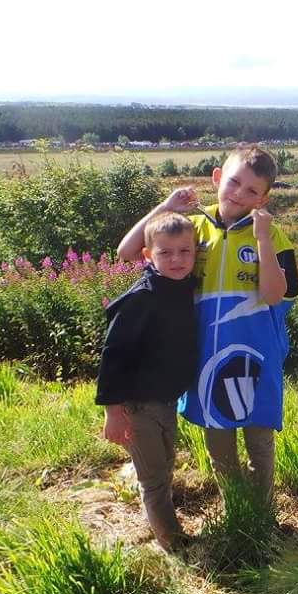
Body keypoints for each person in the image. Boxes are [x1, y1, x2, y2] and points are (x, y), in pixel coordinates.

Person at [117, 145, 298, 501]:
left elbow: (276, 295)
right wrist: (167, 207)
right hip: (204, 360)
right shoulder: (192, 228)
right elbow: (127, 251)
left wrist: (262, 239)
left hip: (258, 359)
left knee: (259, 441)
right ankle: (236, 509)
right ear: (217, 178)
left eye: (252, 191)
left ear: (263, 200)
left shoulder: (273, 236)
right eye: (233, 183)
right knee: (219, 445)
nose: (239, 195)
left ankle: (260, 515)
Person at [97, 212, 198, 551]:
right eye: (165, 253)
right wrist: (113, 411)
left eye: (185, 251)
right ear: (148, 256)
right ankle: (174, 546)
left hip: (165, 400)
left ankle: (165, 520)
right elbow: (114, 354)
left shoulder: (182, 286)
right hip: (136, 405)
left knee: (165, 464)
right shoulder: (141, 298)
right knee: (154, 479)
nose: (176, 260)